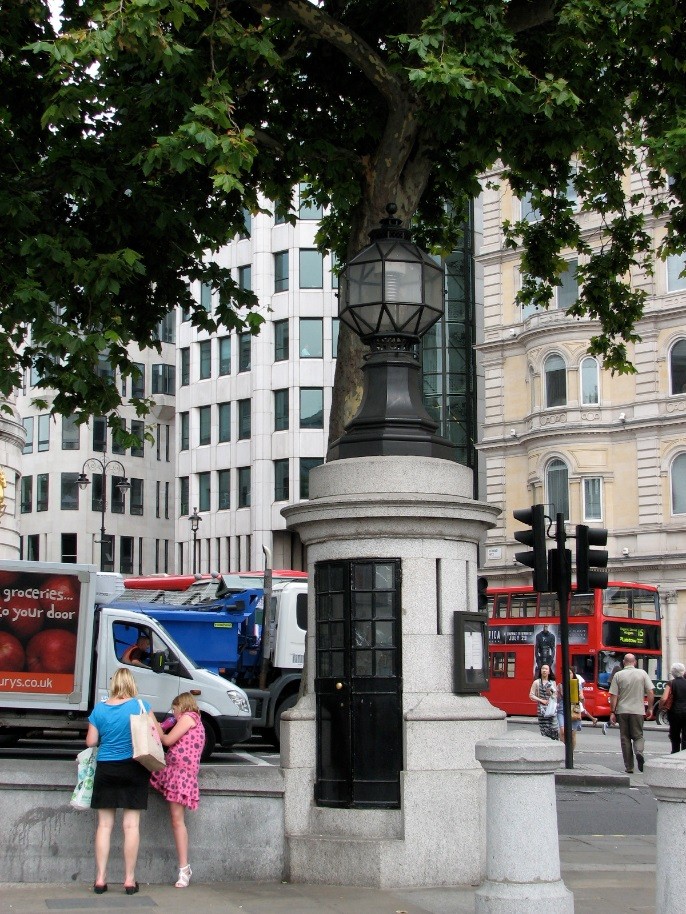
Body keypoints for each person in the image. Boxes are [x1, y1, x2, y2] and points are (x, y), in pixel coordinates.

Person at [86, 667, 159, 895]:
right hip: (134, 768)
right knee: (131, 826)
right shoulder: (141, 706)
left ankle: (100, 879)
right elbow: (156, 734)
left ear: (114, 684)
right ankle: (129, 880)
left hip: (107, 768)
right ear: (131, 684)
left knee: (104, 826)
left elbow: (90, 741)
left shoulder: (99, 709)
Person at [150, 692, 206, 888]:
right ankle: (184, 868)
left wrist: (151, 719)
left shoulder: (189, 718)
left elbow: (166, 740)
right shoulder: (188, 720)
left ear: (182, 706)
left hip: (181, 774)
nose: (172, 712)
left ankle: (184, 868)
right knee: (176, 820)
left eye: (174, 708)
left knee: (177, 820)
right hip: (176, 772)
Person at [608, 653, 654, 773]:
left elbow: (613, 695)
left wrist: (612, 712)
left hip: (622, 711)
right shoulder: (642, 673)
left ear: (624, 662)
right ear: (635, 662)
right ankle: (639, 751)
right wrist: (650, 708)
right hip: (638, 710)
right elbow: (650, 691)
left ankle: (629, 767)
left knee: (625, 738)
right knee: (638, 736)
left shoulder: (618, 675)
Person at [660, 662, 686, 753]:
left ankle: (675, 753)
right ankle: (683, 755)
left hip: (674, 712)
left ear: (673, 672)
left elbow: (664, 698)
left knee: (675, 735)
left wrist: (661, 706)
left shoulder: (671, 683)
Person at [529, 663, 559, 740]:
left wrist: (551, 693)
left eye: (546, 669)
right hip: (542, 710)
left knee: (554, 729)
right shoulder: (537, 682)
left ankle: (554, 744)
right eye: (543, 669)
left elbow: (555, 696)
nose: (544, 670)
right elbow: (531, 695)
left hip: (551, 709)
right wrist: (541, 700)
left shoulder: (552, 682)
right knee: (545, 730)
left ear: (549, 672)